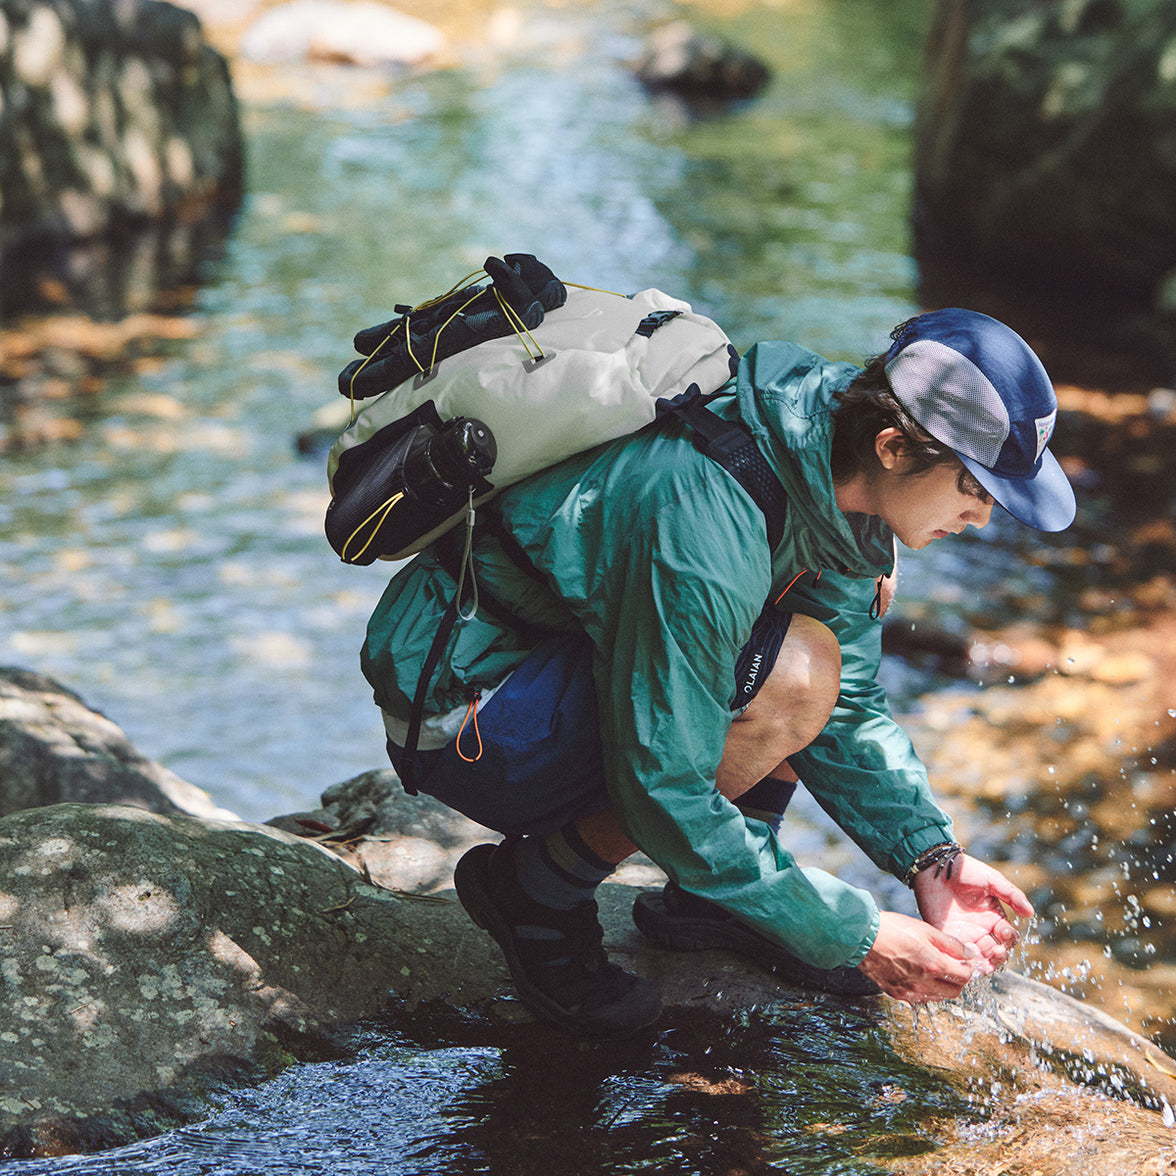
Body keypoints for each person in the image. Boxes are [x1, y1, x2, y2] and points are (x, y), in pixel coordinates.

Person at [359, 306, 1076, 1038]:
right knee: (795, 669)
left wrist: (931, 856)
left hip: (568, 660)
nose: (983, 519)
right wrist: (852, 932)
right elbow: (663, 784)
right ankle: (533, 894)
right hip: (472, 707)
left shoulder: (838, 470)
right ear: (894, 446)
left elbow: (849, 708)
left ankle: (710, 904)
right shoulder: (705, 510)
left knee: (813, 667)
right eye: (975, 490)